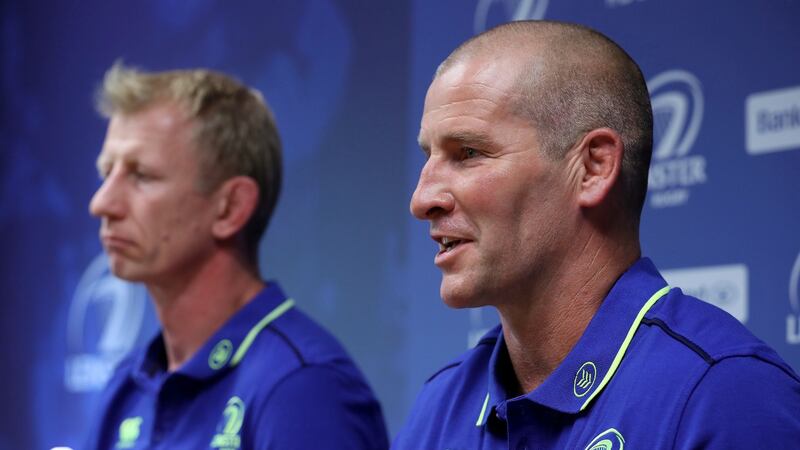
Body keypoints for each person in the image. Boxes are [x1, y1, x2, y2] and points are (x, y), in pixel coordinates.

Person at [394, 20, 800, 449]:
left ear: (593, 168)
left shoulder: (725, 396)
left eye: (469, 153)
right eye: (428, 156)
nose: (422, 199)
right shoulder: (440, 406)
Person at [85, 63, 388, 449]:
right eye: (106, 172)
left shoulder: (302, 387)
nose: (102, 203)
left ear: (230, 208)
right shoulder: (126, 387)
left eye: (141, 175)